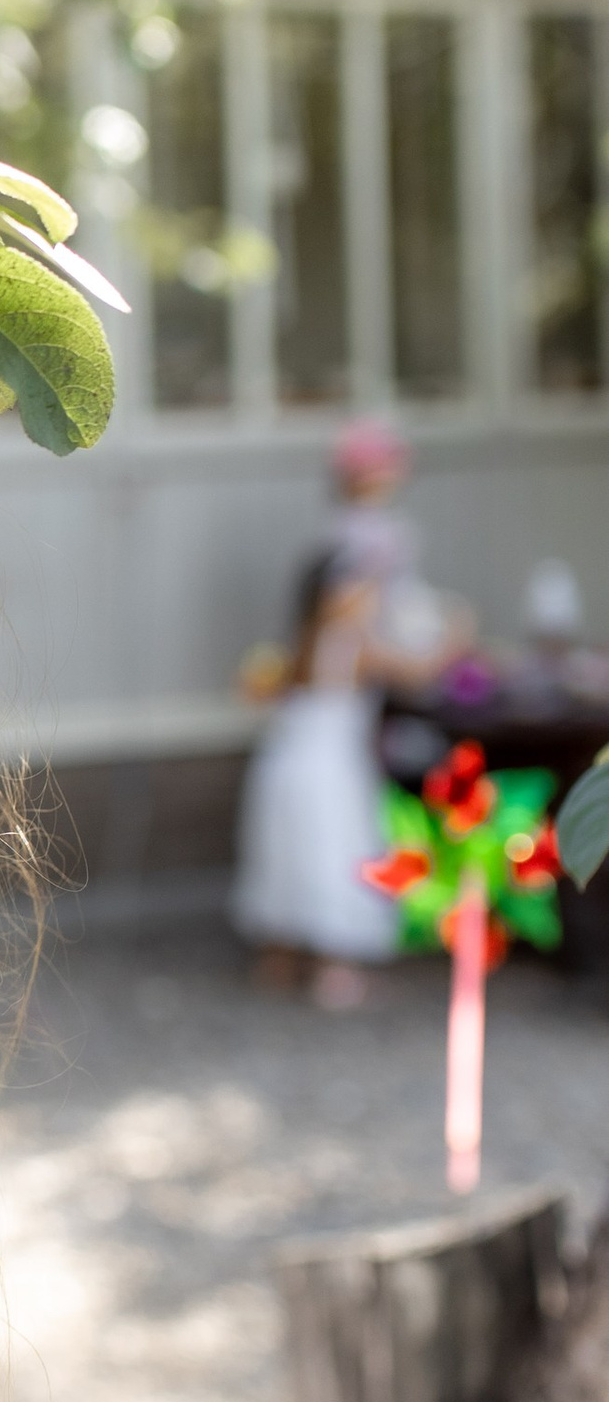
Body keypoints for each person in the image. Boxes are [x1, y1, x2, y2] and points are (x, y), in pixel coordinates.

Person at [232, 420, 459, 1008]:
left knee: (288, 854)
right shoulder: (351, 641)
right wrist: (454, 639)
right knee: (334, 851)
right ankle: (335, 966)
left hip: (285, 758)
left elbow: (267, 686)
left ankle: (281, 956)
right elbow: (414, 670)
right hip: (328, 764)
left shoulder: (303, 642)